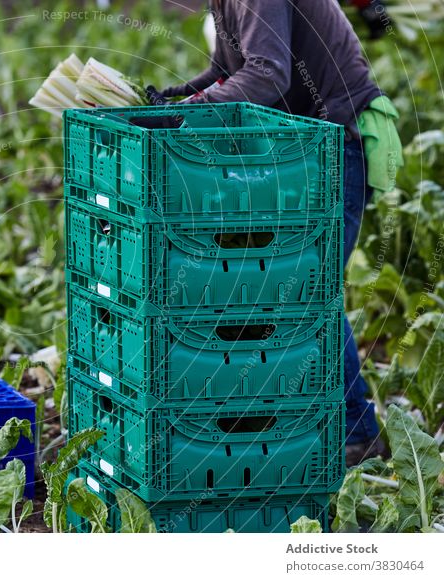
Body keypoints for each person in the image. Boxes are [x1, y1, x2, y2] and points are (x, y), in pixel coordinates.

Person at [147, 0, 404, 466]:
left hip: (339, 140)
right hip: (308, 147)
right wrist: (176, 96)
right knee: (292, 289)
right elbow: (228, 71)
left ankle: (358, 434)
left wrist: (192, 109)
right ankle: (314, 423)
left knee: (312, 291)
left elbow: (267, 76)